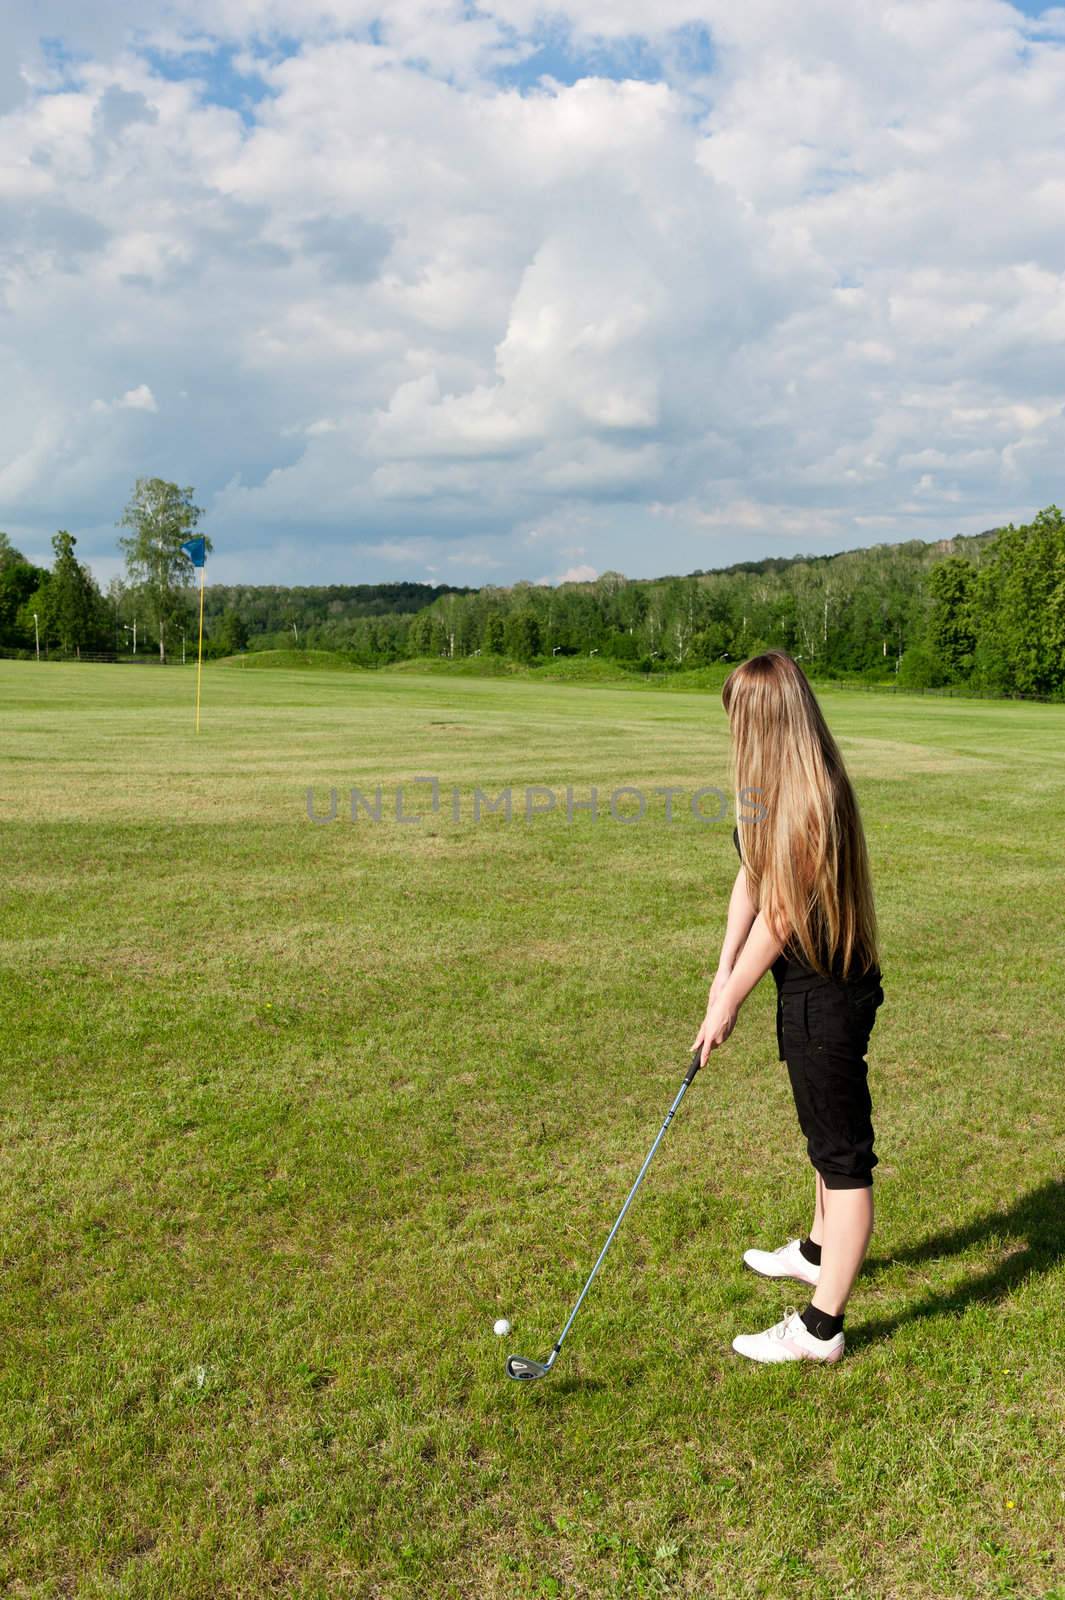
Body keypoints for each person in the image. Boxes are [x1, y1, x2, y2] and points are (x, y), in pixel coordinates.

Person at [692, 650, 884, 1364]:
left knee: (842, 1156)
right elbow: (751, 876)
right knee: (819, 1127)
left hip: (825, 992)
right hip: (803, 986)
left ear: (761, 720)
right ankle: (815, 1248)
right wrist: (720, 976)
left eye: (736, 719)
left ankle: (819, 1329)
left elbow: (777, 917)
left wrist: (727, 1006)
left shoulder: (811, 794)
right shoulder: (766, 787)